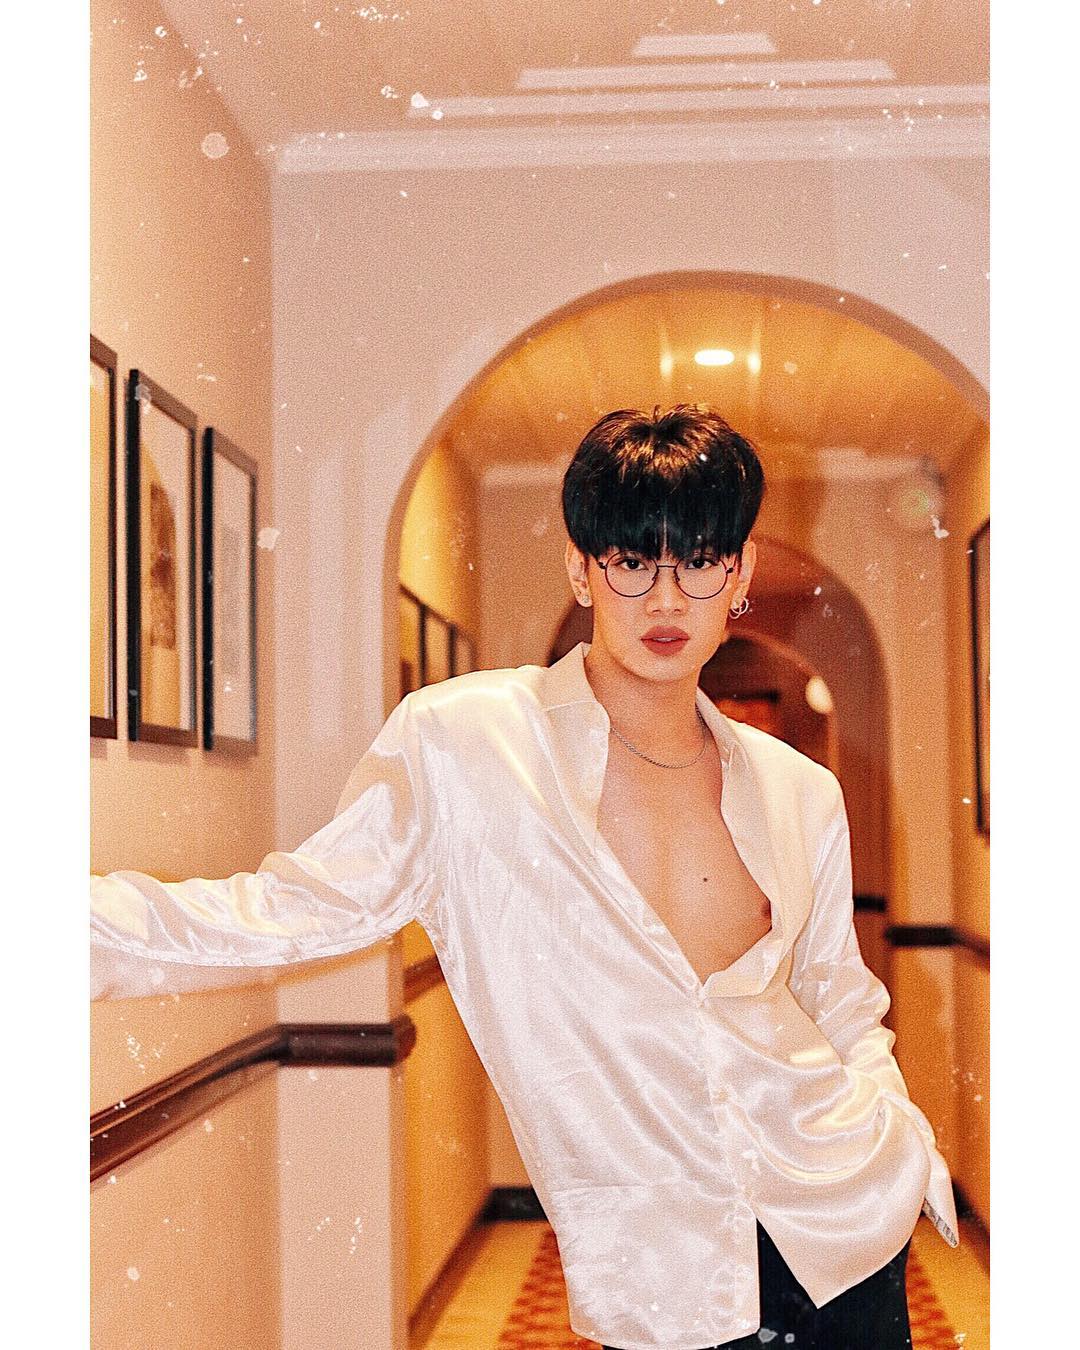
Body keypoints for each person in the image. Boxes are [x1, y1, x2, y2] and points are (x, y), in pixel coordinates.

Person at [92, 405, 959, 1350]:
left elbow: (838, 996)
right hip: (662, 1277)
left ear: (741, 575)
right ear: (580, 568)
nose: (666, 600)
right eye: (631, 562)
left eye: (701, 562)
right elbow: (288, 912)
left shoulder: (800, 792)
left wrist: (899, 1139)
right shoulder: (469, 748)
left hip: (844, 1237)